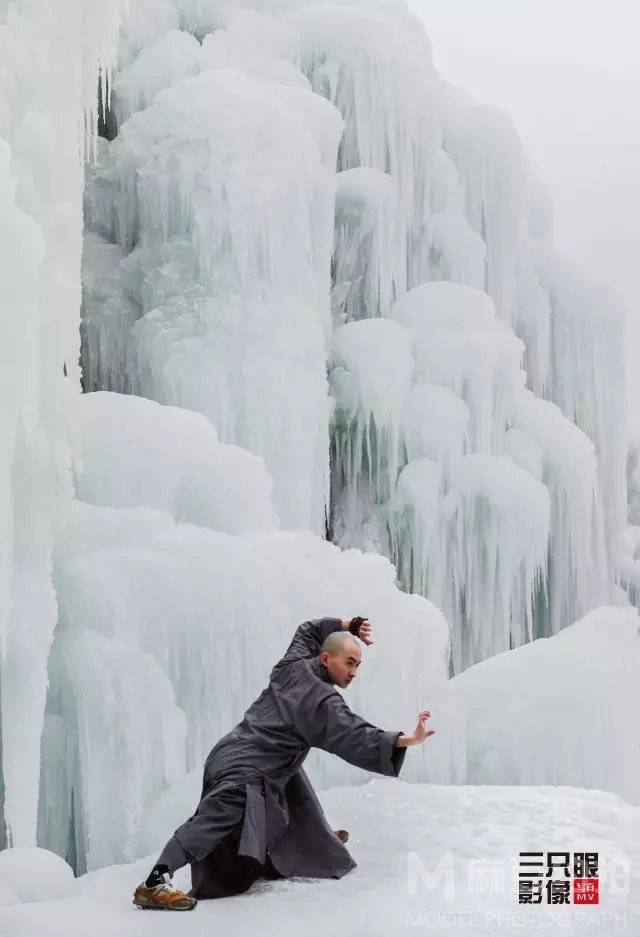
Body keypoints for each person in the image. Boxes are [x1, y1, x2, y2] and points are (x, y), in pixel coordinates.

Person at [133, 615, 435, 910]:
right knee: (215, 817)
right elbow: (358, 735)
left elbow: (309, 629)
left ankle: (317, 837)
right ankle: (155, 881)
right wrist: (408, 739)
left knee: (290, 772)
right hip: (244, 767)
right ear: (327, 658)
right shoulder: (322, 703)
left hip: (232, 750)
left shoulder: (293, 664)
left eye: (358, 664)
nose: (354, 672)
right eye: (349, 662)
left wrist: (349, 625)